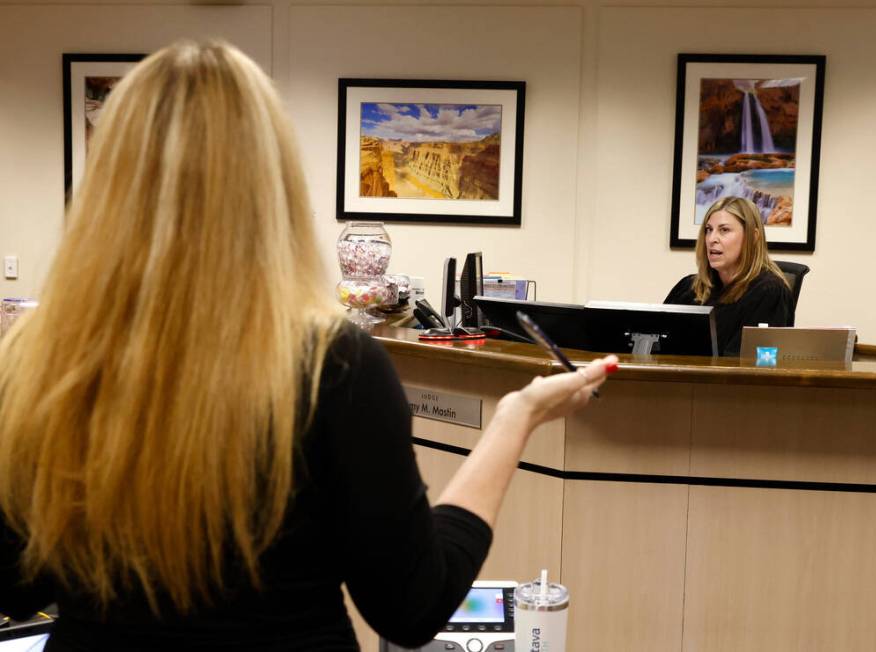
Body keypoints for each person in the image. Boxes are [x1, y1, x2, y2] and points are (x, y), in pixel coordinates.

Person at [0, 41, 617, 651]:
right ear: (273, 187)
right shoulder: (336, 366)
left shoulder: (35, 360)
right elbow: (411, 606)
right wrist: (518, 416)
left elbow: (15, 583)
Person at [664, 196, 793, 356]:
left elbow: (746, 364)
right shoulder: (689, 286)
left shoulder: (770, 292)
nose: (711, 239)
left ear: (753, 236)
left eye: (724, 230)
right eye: (709, 230)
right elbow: (654, 339)